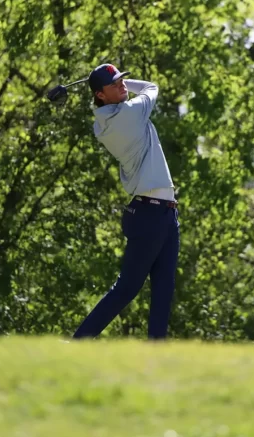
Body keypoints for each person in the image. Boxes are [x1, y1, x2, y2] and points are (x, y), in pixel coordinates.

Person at [72, 63, 180, 340]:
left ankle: (158, 351)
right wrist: (129, 86)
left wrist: (114, 82)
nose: (122, 86)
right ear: (100, 95)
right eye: (115, 85)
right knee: (127, 289)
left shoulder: (106, 119)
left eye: (123, 81)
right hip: (150, 214)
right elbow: (151, 87)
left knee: (164, 288)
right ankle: (80, 340)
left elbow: (127, 92)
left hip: (163, 212)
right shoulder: (128, 115)